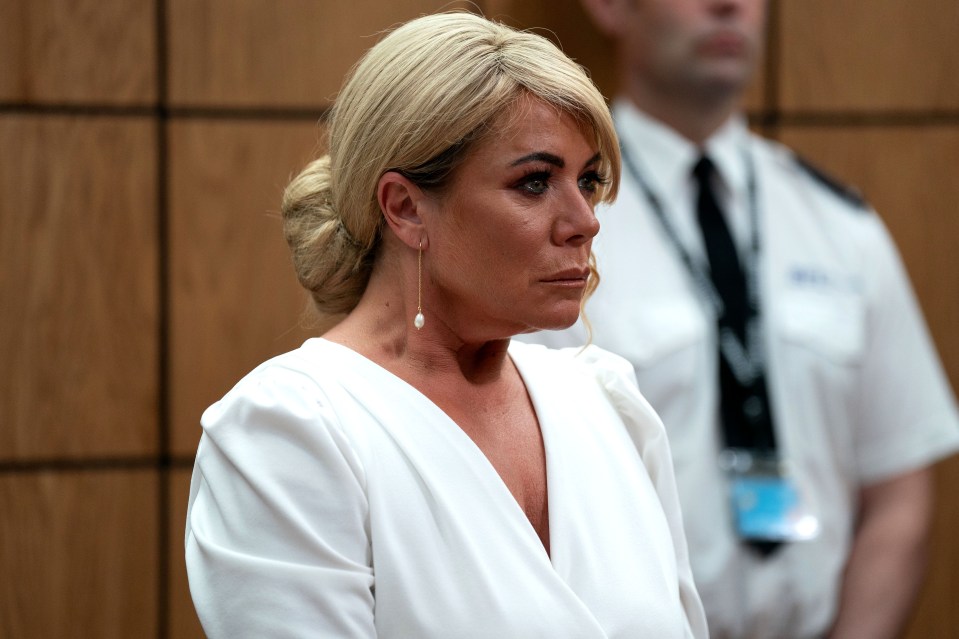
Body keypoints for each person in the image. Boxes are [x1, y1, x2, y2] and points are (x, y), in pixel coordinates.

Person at [184, 11, 707, 639]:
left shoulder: (608, 403)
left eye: (588, 181)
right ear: (406, 209)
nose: (585, 220)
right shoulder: (292, 430)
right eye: (536, 182)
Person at [519, 1, 959, 637]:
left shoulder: (840, 225)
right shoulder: (552, 230)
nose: (729, 5)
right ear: (611, 7)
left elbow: (898, 487)